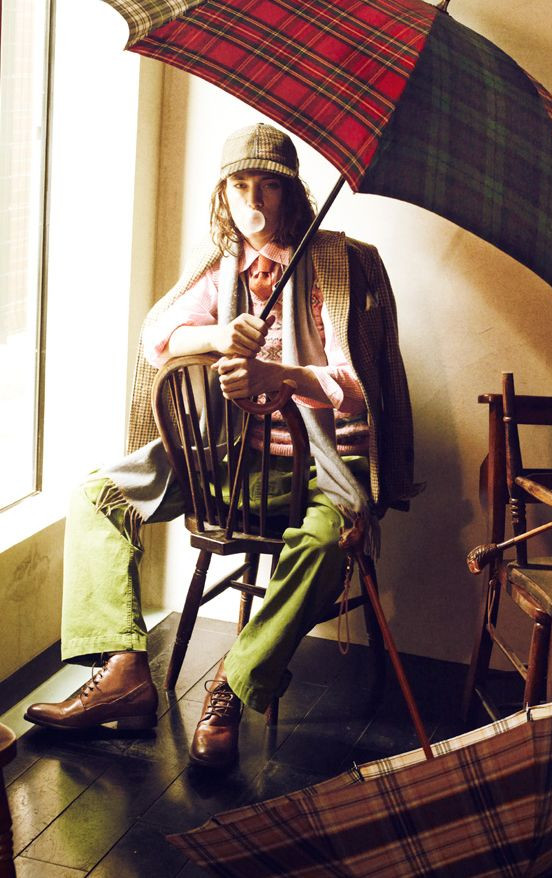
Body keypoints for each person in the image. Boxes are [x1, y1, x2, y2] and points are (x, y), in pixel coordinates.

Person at [25, 123, 416, 767]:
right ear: (223, 194)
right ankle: (124, 673)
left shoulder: (339, 265)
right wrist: (217, 337)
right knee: (97, 494)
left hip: (322, 461)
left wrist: (282, 376)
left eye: (268, 187)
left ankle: (232, 684)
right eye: (240, 186)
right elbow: (160, 338)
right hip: (233, 457)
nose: (252, 201)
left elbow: (357, 389)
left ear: (292, 194)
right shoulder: (222, 268)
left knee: (326, 545)